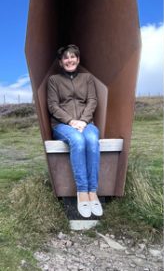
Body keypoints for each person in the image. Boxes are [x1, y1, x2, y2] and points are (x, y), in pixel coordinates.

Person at [46, 44, 103, 218]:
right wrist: (71, 121)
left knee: (92, 141)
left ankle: (93, 191)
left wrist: (83, 122)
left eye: (73, 57)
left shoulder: (87, 79)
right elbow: (53, 106)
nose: (69, 60)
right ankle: (82, 192)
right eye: (66, 58)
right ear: (61, 62)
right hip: (63, 125)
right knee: (77, 141)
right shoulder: (54, 80)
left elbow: (92, 101)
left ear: (78, 59)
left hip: (85, 124)